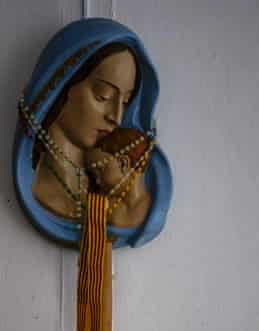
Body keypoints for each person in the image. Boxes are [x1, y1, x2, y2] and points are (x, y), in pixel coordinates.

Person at [13, 17, 171, 249]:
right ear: (61, 84)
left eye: (126, 102)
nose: (116, 117)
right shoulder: (42, 190)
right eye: (103, 96)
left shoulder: (125, 192)